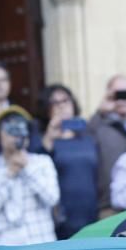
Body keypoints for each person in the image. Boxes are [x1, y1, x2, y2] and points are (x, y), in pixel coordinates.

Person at [0, 106, 60, 246]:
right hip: (5, 247)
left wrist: (27, 168)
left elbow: (52, 198)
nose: (17, 135)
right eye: (10, 129)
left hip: (41, 243)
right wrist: (9, 173)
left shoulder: (42, 162)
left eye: (22, 128)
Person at [36, 83, 100, 238]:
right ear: (46, 108)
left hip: (90, 210)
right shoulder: (41, 137)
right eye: (55, 102)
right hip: (61, 215)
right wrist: (49, 137)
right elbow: (37, 166)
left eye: (65, 101)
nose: (61, 106)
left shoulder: (87, 136)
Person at [88, 75, 126, 216]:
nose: (122, 100)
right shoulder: (98, 125)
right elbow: (85, 137)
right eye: (117, 95)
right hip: (109, 205)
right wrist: (100, 112)